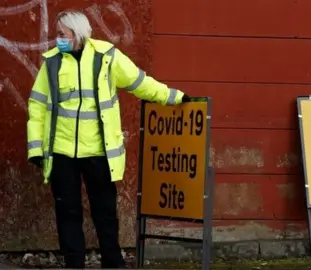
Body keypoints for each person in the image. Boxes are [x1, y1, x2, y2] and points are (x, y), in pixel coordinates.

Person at [26, 10, 190, 268]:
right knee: (68, 213)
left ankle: (113, 263)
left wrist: (174, 97)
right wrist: (36, 148)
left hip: (99, 152)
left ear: (77, 34)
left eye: (61, 34)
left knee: (105, 213)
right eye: (56, 34)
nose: (56, 38)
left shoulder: (107, 57)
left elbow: (139, 83)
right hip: (61, 153)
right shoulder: (52, 63)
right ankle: (74, 264)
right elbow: (37, 105)